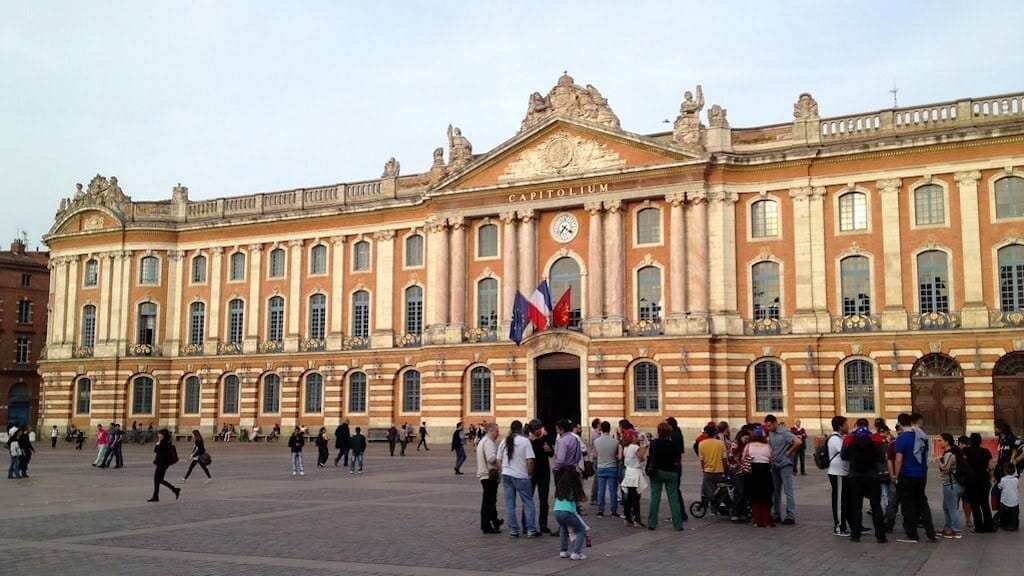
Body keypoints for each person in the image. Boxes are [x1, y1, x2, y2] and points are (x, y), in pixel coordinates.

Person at [894, 412, 937, 543]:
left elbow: (899, 460)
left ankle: (912, 534)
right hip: (921, 475)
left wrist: (896, 476)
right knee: (922, 503)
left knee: (908, 505)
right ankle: (931, 532)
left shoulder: (901, 439)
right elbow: (924, 455)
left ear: (900, 423)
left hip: (906, 475)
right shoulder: (921, 437)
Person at [841, 418, 886, 543]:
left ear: (856, 425)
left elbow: (843, 456)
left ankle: (856, 535)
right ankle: (880, 536)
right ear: (868, 425)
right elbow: (882, 458)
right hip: (873, 476)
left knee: (856, 506)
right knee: (876, 506)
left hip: (855, 476)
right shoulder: (876, 438)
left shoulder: (849, 438)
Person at [497, 419, 538, 538]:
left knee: (510, 504)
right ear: (521, 429)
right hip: (521, 475)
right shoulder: (525, 441)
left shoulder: (504, 441)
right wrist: (529, 473)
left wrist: (503, 470)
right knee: (528, 502)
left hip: (507, 475)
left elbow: (498, 460)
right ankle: (531, 530)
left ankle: (513, 530)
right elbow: (530, 461)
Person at [647, 421, 684, 531]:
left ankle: (652, 523)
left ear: (658, 432)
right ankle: (678, 524)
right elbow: (677, 458)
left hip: (657, 472)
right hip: (671, 472)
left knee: (655, 497)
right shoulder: (672, 444)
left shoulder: (654, 443)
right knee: (673, 499)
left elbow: (651, 456)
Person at [764, 414, 801, 524]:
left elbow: (798, 442)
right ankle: (777, 514)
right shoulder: (771, 433)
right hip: (775, 464)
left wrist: (789, 451)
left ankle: (790, 515)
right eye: (767, 426)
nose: (768, 428)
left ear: (775, 423)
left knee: (788, 490)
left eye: (770, 425)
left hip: (785, 465)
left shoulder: (784, 432)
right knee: (776, 491)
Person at [554, 469, 589, 561]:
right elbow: (575, 504)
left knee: (563, 529)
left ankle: (563, 551)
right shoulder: (573, 489)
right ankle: (576, 553)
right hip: (567, 512)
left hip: (557, 511)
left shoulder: (560, 488)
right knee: (580, 529)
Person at [526, 419, 554, 535]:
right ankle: (527, 524)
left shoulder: (545, 439)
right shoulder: (527, 441)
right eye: (540, 429)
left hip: (544, 473)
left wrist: (550, 450)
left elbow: (551, 454)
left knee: (544, 500)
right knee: (528, 500)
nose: (542, 431)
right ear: (535, 430)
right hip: (531, 473)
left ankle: (543, 524)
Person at [963, 432, 994, 532]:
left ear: (970, 441)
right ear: (980, 441)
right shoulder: (986, 451)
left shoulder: (966, 451)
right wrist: (991, 478)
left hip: (972, 480)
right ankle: (989, 525)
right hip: (984, 479)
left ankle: (979, 526)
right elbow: (990, 467)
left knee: (975, 504)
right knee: (985, 504)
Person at [827, 415, 851, 536]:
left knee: (843, 500)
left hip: (841, 472)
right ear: (841, 426)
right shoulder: (836, 439)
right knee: (839, 501)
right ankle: (839, 527)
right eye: (846, 424)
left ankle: (844, 524)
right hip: (838, 473)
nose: (848, 426)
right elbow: (844, 453)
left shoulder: (840, 437)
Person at [476, 422, 502, 534]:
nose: (498, 433)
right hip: (489, 475)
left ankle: (494, 521)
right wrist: (500, 459)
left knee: (490, 500)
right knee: (488, 502)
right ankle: (486, 526)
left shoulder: (483, 441)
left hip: (485, 474)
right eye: (496, 431)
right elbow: (491, 458)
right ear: (491, 431)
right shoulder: (489, 442)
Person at [746, 426, 775, 527]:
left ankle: (757, 520)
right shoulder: (767, 446)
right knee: (766, 495)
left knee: (755, 496)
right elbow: (772, 459)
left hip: (753, 472)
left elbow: (744, 458)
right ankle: (766, 520)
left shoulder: (749, 445)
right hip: (765, 472)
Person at [937, 432, 964, 539]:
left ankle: (956, 531)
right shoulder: (951, 453)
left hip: (951, 484)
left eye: (941, 440)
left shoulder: (949, 454)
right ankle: (948, 527)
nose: (939, 442)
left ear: (947, 441)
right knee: (946, 507)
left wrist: (938, 460)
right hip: (950, 484)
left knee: (952, 508)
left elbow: (946, 469)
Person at [619, 429, 648, 527]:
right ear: (632, 437)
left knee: (630, 497)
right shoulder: (634, 447)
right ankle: (637, 519)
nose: (637, 437)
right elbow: (641, 456)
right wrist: (645, 445)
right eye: (635, 436)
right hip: (635, 473)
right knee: (635, 497)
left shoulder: (626, 447)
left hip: (629, 472)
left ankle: (628, 517)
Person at [697, 423, 728, 515]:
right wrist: (725, 469)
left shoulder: (701, 444)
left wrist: (703, 469)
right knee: (719, 490)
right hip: (719, 470)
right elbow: (724, 458)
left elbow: (702, 460)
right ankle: (719, 506)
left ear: (706, 433)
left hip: (708, 471)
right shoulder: (720, 444)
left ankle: (713, 509)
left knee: (710, 491)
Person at [593, 421, 620, 518]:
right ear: (609, 429)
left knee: (601, 490)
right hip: (612, 466)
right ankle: (614, 511)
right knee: (613, 490)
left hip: (601, 467)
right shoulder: (615, 441)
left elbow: (596, 453)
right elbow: (618, 455)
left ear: (601, 429)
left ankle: (601, 510)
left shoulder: (596, 441)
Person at [666, 416, 689, 521]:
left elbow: (672, 451)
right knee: (675, 490)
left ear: (670, 426)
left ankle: (678, 514)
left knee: (673, 491)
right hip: (677, 465)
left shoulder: (673, 436)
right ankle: (681, 513)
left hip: (673, 465)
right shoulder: (678, 433)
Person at [148, 429, 180, 502]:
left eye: (160, 434)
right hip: (164, 463)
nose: (158, 435)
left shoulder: (164, 442)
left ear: (163, 435)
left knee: (158, 479)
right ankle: (156, 496)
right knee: (159, 479)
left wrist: (158, 442)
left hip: (162, 463)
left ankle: (174, 489)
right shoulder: (168, 442)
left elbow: (156, 450)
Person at [552, 419, 582, 486]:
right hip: (572, 469)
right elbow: (578, 456)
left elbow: (560, 459)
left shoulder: (562, 441)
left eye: (557, 429)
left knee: (562, 493)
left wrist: (555, 468)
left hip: (562, 471)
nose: (557, 431)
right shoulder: (575, 439)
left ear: (561, 429)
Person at [996, 463, 1019, 531]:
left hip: (1005, 501)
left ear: (1005, 471)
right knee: (1014, 514)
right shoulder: (1016, 480)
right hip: (1015, 501)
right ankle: (1014, 525)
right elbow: (1017, 487)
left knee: (1003, 512)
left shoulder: (1003, 480)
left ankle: (1003, 522)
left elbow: (999, 487)